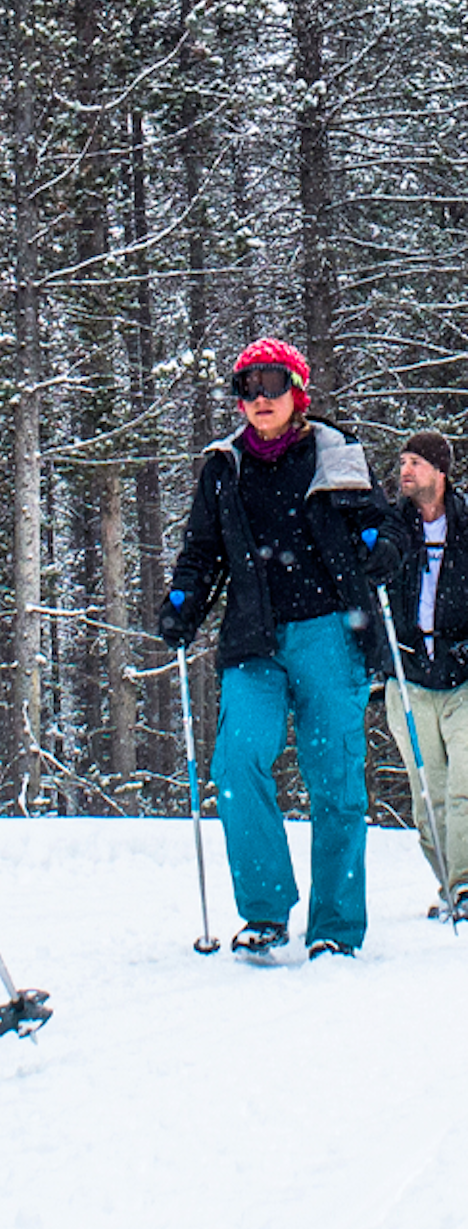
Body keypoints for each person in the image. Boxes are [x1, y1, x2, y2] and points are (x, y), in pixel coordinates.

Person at [156, 338, 382, 958]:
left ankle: (335, 925)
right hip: (253, 636)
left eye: (272, 384)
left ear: (297, 392)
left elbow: (377, 524)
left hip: (330, 631)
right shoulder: (223, 466)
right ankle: (264, 910)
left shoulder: (336, 454)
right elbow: (201, 553)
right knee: (236, 762)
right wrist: (182, 605)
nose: (259, 398)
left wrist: (378, 543)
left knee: (333, 774)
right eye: (247, 387)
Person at [369, 430, 468, 921]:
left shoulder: (465, 524)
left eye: (416, 463)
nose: (406, 470)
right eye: (403, 461)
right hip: (409, 677)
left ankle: (466, 884)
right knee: (428, 793)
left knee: (465, 786)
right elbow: (371, 579)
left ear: (440, 471)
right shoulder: (396, 527)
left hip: (464, 675)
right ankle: (453, 885)